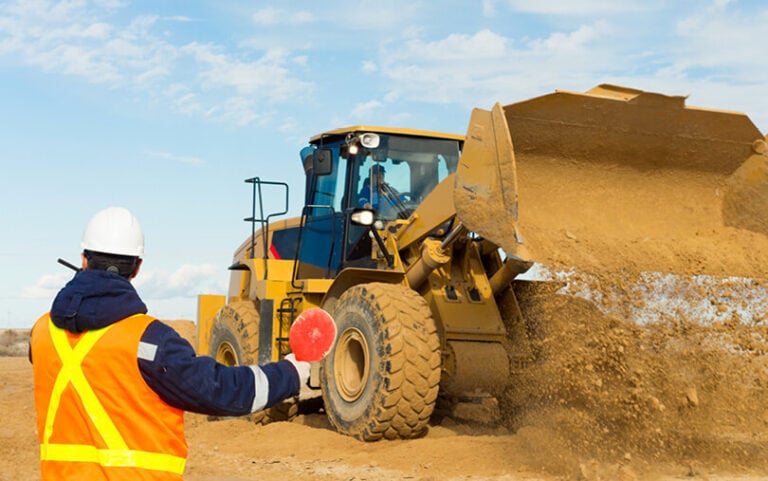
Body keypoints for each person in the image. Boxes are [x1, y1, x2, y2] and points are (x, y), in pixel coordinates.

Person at [29, 206, 311, 480]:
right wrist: (291, 372)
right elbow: (224, 391)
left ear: (83, 259)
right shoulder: (151, 341)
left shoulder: (41, 332)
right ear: (137, 268)